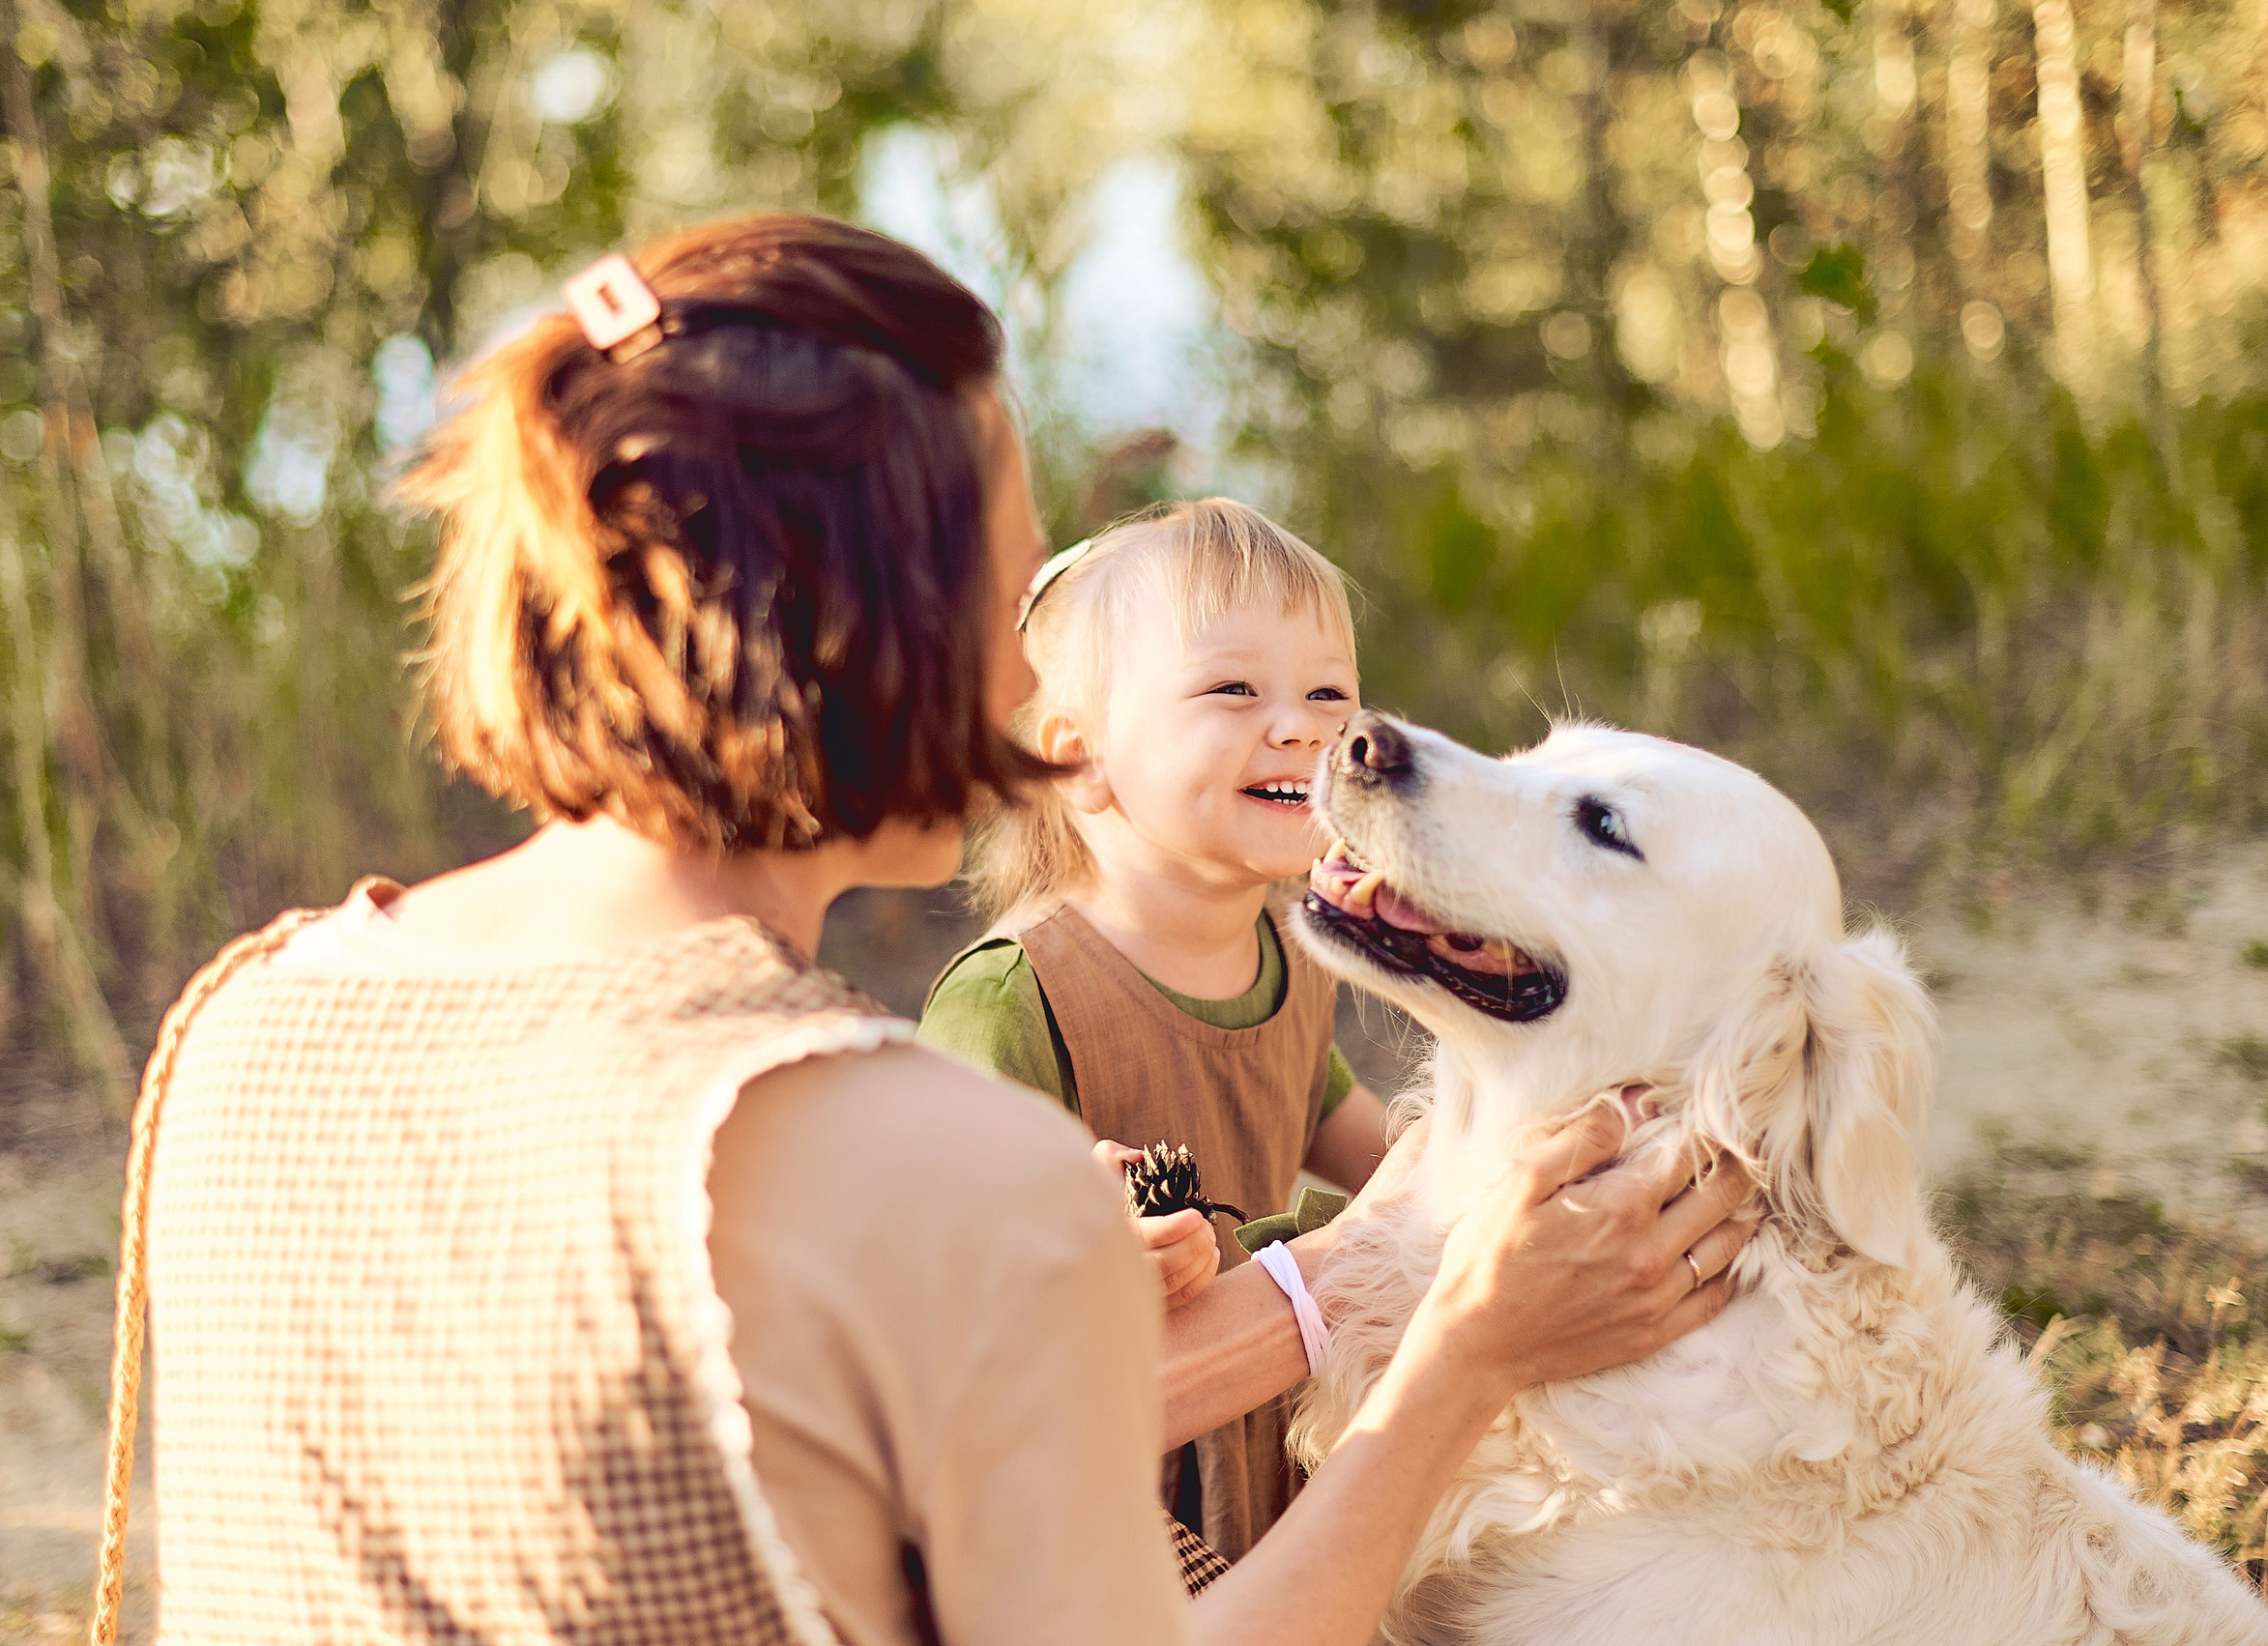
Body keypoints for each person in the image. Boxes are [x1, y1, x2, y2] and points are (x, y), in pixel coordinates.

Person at [117, 213, 1757, 1646]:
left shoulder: (248, 1011)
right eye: (1014, 580)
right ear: (870, 621)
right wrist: (1465, 1353)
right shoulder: (916, 1151)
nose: (1035, 677)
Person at [917, 498, 1380, 1559]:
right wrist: (1094, 1252)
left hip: (1275, 1421)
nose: (1301, 724)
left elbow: (1343, 1124)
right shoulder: (1016, 996)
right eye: (1232, 687)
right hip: (1108, 1493)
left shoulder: (1295, 946)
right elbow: (946, 1273)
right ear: (1079, 759)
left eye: (1329, 691)